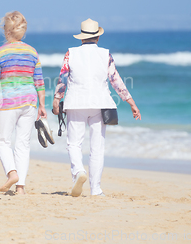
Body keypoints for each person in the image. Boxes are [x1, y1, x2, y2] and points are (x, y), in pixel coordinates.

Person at [53, 18, 141, 197]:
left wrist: (56, 98)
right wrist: (131, 102)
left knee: (74, 143)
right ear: (98, 38)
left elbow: (62, 78)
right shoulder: (105, 54)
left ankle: (79, 172)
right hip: (100, 104)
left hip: (76, 102)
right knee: (97, 147)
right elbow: (116, 81)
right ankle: (96, 189)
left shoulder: (71, 53)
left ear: (81, 38)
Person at [0, 11, 47, 195]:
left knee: (3, 142)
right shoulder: (32, 52)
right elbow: (39, 81)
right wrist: (42, 106)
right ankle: (20, 188)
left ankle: (12, 174)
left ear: (6, 31)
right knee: (23, 144)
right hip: (30, 102)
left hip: (8, 103)